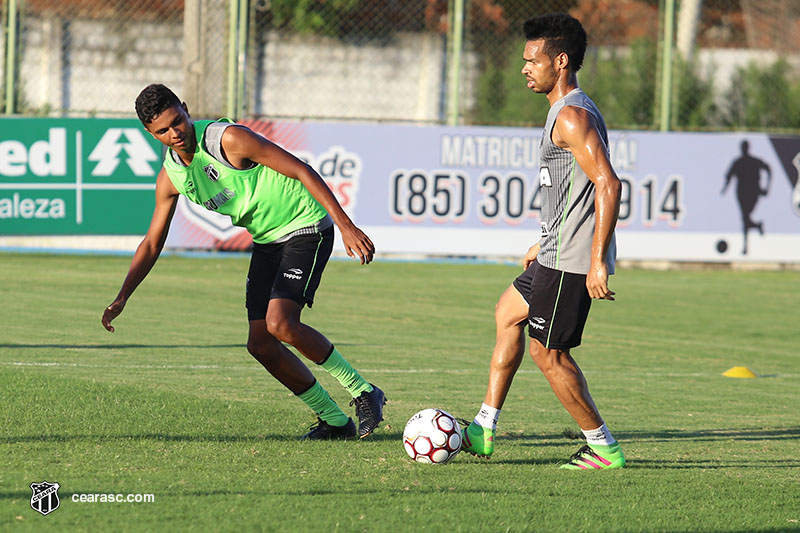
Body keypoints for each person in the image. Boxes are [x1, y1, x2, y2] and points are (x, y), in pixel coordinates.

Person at [102, 84, 385, 440]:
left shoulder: (228, 140)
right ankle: (334, 420)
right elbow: (153, 241)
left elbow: (301, 169)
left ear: (186, 110)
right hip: (267, 242)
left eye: (178, 121)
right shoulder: (172, 176)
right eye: (163, 130)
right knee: (261, 344)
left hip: (305, 226)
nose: (174, 133)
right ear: (150, 133)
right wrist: (123, 295)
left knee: (280, 324)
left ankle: (363, 392)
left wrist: (346, 226)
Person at [461, 13, 625, 470]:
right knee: (507, 313)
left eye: (533, 60)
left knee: (548, 354)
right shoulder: (565, 110)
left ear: (561, 61)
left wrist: (596, 261)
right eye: (524, 59)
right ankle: (483, 427)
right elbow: (572, 188)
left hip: (571, 259)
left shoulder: (572, 116)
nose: (524, 68)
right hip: (555, 249)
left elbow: (609, 185)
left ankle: (603, 448)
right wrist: (543, 240)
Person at [721, 140, 771, 255]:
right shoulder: (738, 162)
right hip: (741, 193)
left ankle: (746, 247)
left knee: (745, 218)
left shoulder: (754, 161)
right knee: (745, 218)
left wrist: (766, 187)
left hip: (753, 193)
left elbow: (768, 169)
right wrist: (724, 189)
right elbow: (729, 176)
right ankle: (754, 231)